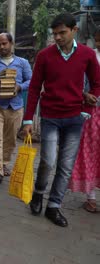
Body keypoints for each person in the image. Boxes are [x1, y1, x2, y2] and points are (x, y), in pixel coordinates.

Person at [22, 13, 100, 227]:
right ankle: (38, 193)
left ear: (74, 30)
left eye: (62, 33)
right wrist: (28, 119)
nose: (57, 37)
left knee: (65, 166)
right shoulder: (45, 56)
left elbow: (96, 83)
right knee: (48, 160)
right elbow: (35, 88)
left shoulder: (87, 54)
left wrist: (86, 109)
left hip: (75, 118)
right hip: (50, 116)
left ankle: (54, 206)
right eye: (54, 33)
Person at [0, 33, 32, 185]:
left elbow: (31, 80)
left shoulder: (22, 63)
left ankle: (4, 163)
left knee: (10, 140)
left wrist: (19, 87)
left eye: (4, 44)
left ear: (11, 44)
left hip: (15, 107)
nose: (2, 47)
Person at [69, 32, 100, 213]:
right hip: (92, 112)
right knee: (90, 153)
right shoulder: (89, 56)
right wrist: (83, 96)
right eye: (97, 39)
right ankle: (91, 197)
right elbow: (77, 81)